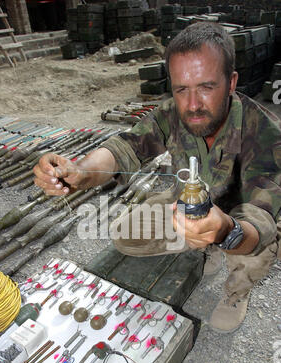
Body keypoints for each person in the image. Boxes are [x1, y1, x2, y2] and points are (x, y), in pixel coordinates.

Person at [33, 22, 281, 334]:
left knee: (260, 242)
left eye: (206, 87)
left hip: (241, 220)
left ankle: (235, 289)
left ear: (231, 82)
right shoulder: (171, 113)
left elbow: (260, 219)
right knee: (126, 234)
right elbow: (125, 147)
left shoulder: (266, 133)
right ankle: (204, 243)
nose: (192, 105)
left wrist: (224, 232)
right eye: (182, 89)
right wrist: (81, 172)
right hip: (189, 204)